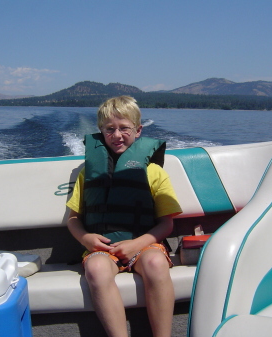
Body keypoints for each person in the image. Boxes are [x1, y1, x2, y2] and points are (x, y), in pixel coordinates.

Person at [66, 96, 182, 337]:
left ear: (138, 130)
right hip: (103, 249)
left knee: (156, 262)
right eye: (110, 129)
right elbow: (73, 219)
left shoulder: (154, 172)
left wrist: (137, 244)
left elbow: (166, 223)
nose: (117, 135)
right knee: (96, 269)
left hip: (143, 244)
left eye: (124, 128)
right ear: (101, 131)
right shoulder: (88, 173)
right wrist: (87, 239)